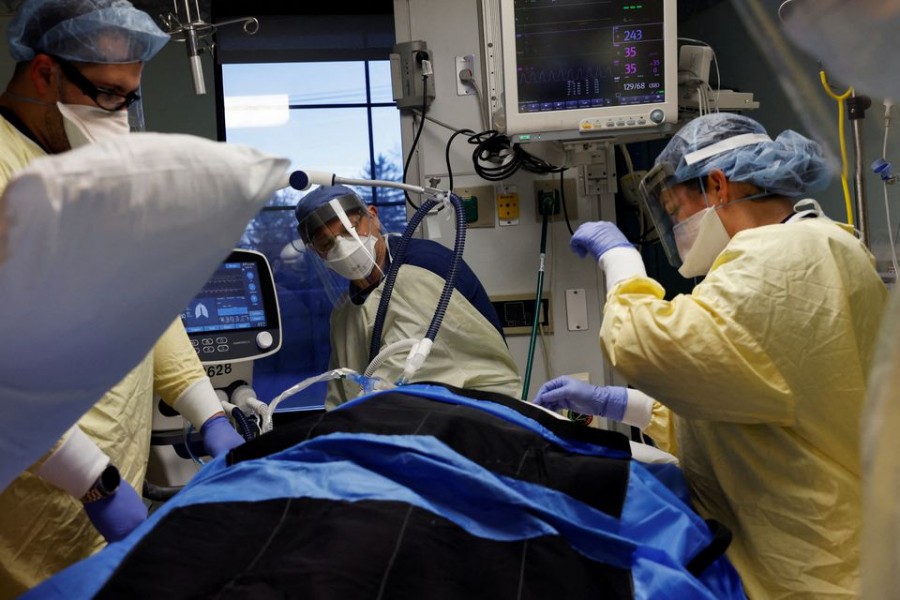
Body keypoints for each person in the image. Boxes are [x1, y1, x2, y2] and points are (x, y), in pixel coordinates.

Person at [532, 112, 888, 598]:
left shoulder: (783, 258)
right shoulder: (818, 246)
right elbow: (754, 404)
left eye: (676, 210)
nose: (676, 226)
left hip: (814, 568)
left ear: (718, 186)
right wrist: (626, 405)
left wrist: (620, 260)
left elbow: (640, 345)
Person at [0, 0, 245, 594]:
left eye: (129, 97)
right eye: (107, 93)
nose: (119, 116)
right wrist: (92, 479)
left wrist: (206, 410)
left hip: (111, 486)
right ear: (44, 72)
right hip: (33, 507)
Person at [294, 185, 521, 407]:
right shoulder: (345, 311)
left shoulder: (421, 269)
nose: (342, 247)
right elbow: (342, 388)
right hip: (402, 423)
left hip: (471, 413)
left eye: (349, 230)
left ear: (372, 216)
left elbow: (407, 374)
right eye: (327, 243)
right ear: (317, 252)